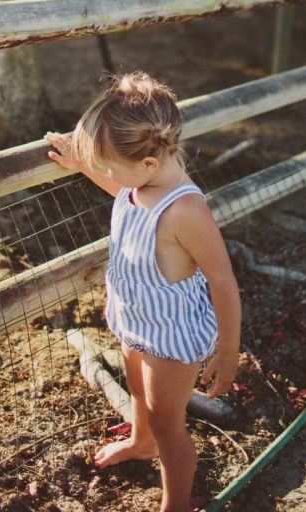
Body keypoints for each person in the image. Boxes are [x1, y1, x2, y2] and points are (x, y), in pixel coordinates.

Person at [46, 71, 241, 512]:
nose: (105, 171)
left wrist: (228, 350)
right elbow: (120, 191)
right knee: (137, 389)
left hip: (170, 339)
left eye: (108, 163)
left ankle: (175, 502)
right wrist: (82, 165)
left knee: (169, 423)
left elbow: (223, 279)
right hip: (137, 323)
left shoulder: (185, 210)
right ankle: (140, 443)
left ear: (148, 165)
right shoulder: (140, 187)